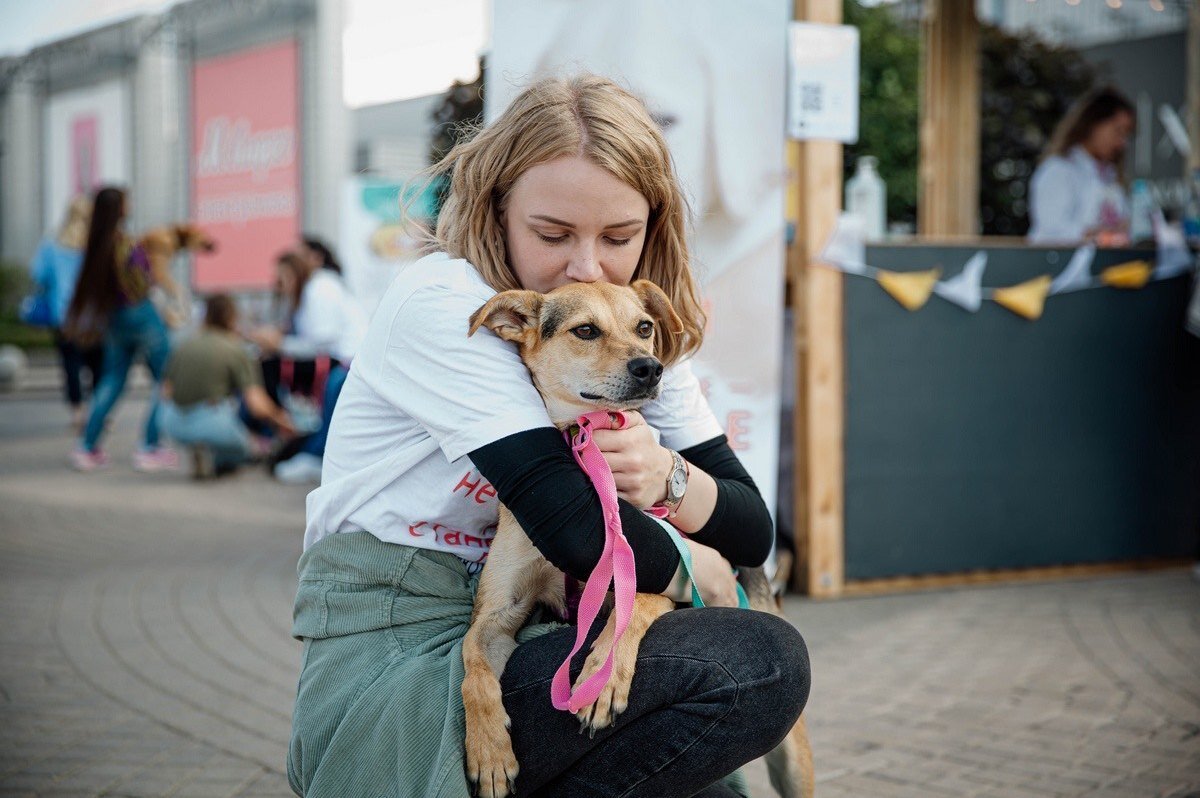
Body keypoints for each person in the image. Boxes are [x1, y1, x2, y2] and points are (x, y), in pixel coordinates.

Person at [287, 75, 809, 798]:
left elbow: (753, 532)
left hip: (557, 626)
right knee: (757, 660)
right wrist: (697, 565)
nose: (587, 265)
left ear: (652, 227)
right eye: (553, 234)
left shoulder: (631, 341)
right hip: (403, 639)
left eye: (619, 236)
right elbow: (573, 528)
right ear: (497, 209)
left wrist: (667, 478)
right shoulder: (446, 303)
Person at [64, 186, 214, 472]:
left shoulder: (96, 244)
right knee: (166, 377)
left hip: (115, 318)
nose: (130, 205)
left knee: (112, 380)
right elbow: (142, 282)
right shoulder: (125, 244)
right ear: (119, 207)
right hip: (141, 313)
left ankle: (86, 446)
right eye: (126, 201)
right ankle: (150, 446)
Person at [248, 250, 366, 483]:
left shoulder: (318, 290)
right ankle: (284, 430)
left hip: (342, 361)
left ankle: (292, 433)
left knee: (269, 367)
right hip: (337, 359)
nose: (279, 284)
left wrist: (279, 342)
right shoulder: (313, 290)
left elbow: (321, 341)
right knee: (266, 364)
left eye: (283, 277)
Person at [159, 294, 296, 479]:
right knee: (249, 449)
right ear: (232, 318)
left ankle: (202, 448)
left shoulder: (184, 345)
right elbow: (256, 405)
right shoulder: (235, 349)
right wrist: (285, 423)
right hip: (212, 421)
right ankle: (218, 456)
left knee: (213, 417)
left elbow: (166, 391)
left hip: (171, 422)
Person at [1028, 85, 1136, 245]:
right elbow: (1049, 233)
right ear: (1094, 124)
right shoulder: (1059, 170)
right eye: (1118, 131)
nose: (1122, 143)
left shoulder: (1110, 176)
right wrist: (1096, 234)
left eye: (1126, 135)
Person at [29, 195, 102, 430]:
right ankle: (99, 412)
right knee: (97, 365)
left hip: (64, 316)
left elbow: (38, 275)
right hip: (94, 317)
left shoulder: (52, 245)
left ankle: (77, 412)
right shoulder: (97, 244)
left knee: (70, 364)